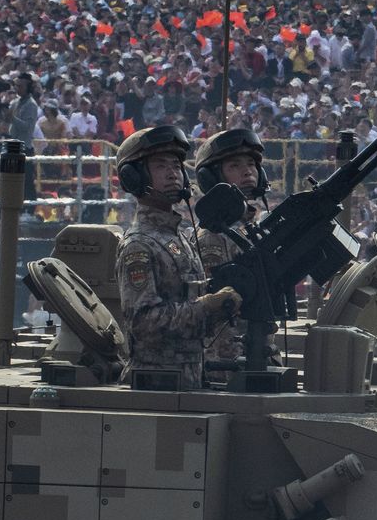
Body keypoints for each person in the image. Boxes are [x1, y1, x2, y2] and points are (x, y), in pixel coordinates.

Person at [112, 125, 242, 389]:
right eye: (160, 166)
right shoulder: (139, 245)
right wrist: (207, 306)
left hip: (188, 381)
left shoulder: (179, 237)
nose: (173, 174)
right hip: (156, 386)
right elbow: (143, 322)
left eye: (176, 166)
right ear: (134, 176)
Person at [190, 127, 269, 364]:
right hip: (227, 363)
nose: (247, 171)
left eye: (251, 164)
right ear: (212, 179)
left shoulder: (250, 229)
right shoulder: (213, 237)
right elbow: (217, 313)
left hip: (254, 355)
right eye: (234, 166)